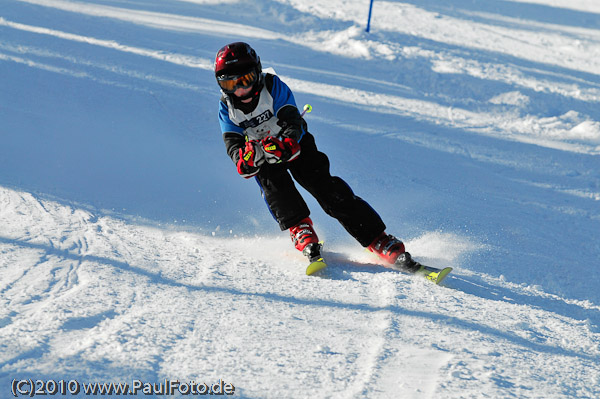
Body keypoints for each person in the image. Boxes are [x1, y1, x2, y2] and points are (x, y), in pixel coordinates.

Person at [214, 41, 419, 271]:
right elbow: (232, 144)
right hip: (262, 153)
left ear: (258, 74)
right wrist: (244, 160)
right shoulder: (226, 107)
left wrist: (288, 143)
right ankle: (300, 228)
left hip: (294, 145)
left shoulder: (272, 86)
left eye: (245, 80)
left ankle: (377, 238)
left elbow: (293, 120)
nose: (240, 90)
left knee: (326, 189)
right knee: (276, 189)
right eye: (230, 84)